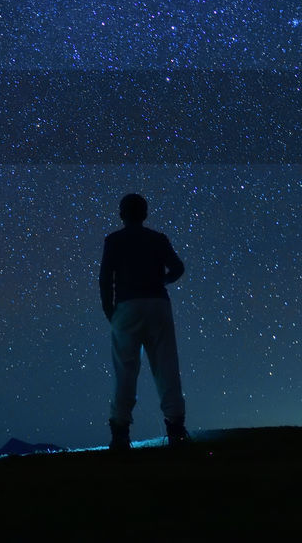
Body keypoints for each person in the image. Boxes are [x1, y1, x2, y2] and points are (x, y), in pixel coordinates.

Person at [99, 193, 188, 450]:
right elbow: (178, 268)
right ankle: (176, 429)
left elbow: (105, 277)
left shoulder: (114, 240)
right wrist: (162, 281)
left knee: (125, 369)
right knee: (166, 366)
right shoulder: (158, 239)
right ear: (145, 213)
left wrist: (110, 310)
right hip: (158, 304)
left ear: (122, 214)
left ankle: (120, 433)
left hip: (127, 306)